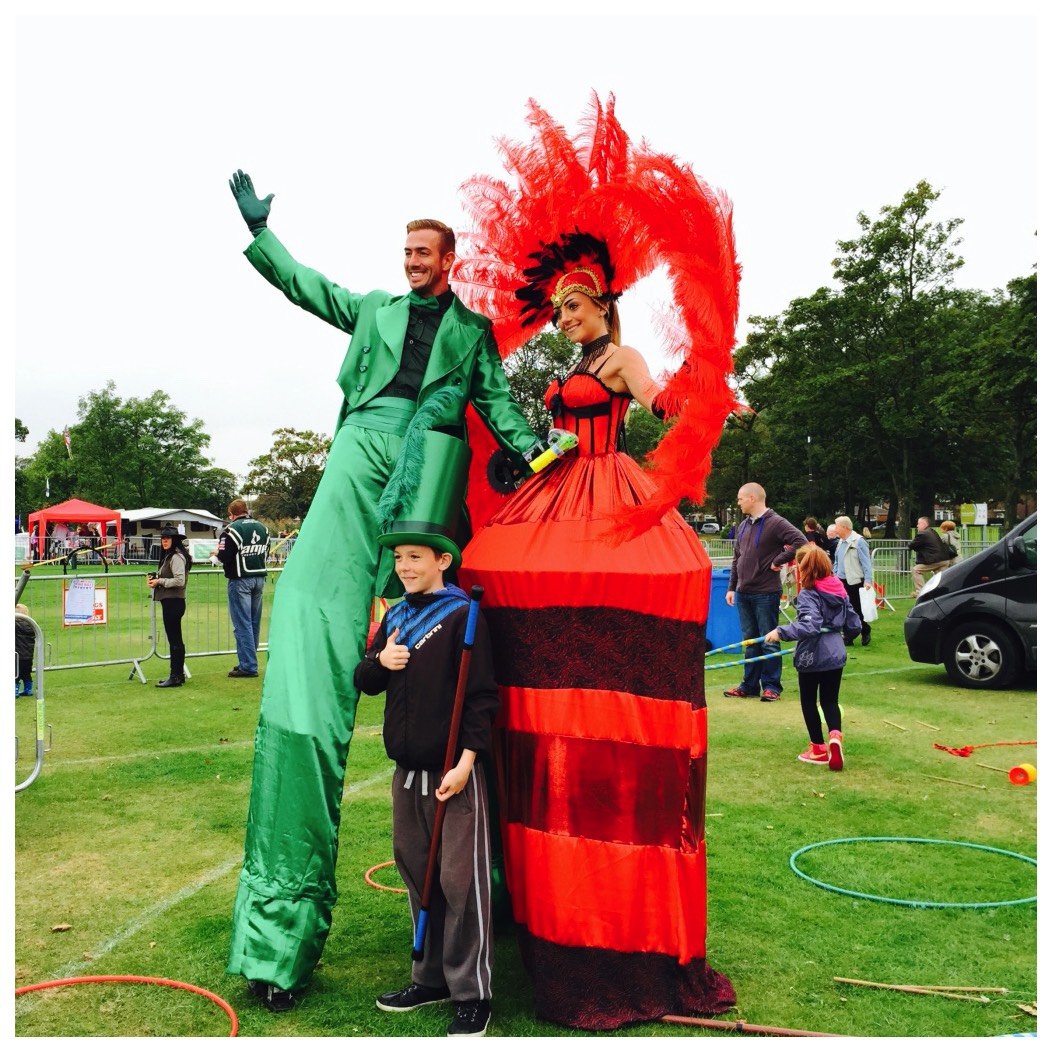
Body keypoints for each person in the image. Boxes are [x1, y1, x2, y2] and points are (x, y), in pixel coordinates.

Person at [225, 170, 542, 1009]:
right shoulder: (372, 309)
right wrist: (262, 237)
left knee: (447, 664)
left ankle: (476, 922)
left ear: (449, 261)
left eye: (423, 254)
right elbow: (307, 287)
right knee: (301, 631)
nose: (410, 264)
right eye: (403, 252)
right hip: (359, 457)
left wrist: (537, 454)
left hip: (427, 474)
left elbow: (501, 410)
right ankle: (277, 937)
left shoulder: (471, 334)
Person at [353, 437, 499, 1037]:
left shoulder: (463, 615)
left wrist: (466, 763)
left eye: (417, 557)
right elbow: (364, 680)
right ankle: (430, 977)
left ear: (443, 560)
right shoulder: (394, 617)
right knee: (418, 876)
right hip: (404, 771)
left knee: (460, 883)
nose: (406, 567)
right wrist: (379, 663)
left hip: (452, 774)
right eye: (401, 559)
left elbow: (482, 698)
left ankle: (473, 992)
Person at [765, 545, 861, 770]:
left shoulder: (809, 593)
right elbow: (854, 624)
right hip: (835, 654)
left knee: (809, 700)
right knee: (830, 700)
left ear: (806, 568)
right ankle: (835, 737)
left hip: (812, 655)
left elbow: (810, 624)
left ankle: (818, 748)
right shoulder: (839, 590)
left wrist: (780, 632)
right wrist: (841, 633)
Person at [723, 484, 808, 702]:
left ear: (752, 498)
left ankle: (771, 686)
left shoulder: (776, 522)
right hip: (744, 592)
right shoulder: (743, 525)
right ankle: (749, 685)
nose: (739, 502)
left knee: (769, 639)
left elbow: (801, 541)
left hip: (765, 592)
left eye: (741, 499)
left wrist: (778, 560)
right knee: (750, 641)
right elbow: (737, 559)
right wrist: (732, 587)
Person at [216, 499, 270, 679]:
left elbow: (224, 556)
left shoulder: (231, 530)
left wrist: (215, 558)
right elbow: (266, 551)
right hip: (259, 578)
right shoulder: (263, 528)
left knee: (242, 624)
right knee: (254, 622)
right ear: (246, 510)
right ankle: (249, 660)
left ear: (231, 514)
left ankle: (248, 665)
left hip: (240, 580)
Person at [147, 526, 191, 688]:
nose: (164, 541)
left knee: (175, 640)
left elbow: (179, 581)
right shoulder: (170, 556)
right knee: (175, 639)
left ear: (175, 540)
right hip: (171, 601)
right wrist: (156, 579)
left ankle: (176, 676)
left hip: (174, 601)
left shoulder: (176, 557)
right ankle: (177, 674)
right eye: (163, 538)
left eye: (168, 538)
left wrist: (160, 581)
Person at [832, 515, 874, 646]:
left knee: (857, 609)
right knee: (843, 609)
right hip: (841, 581)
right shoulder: (840, 541)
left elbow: (866, 563)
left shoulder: (859, 541)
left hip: (855, 580)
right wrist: (834, 575)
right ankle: (848, 636)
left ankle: (865, 630)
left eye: (836, 526)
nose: (835, 529)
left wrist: (868, 580)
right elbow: (837, 561)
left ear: (844, 527)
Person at [908, 516, 952, 596]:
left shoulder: (923, 533)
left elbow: (912, 545)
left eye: (918, 524)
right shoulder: (932, 531)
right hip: (945, 559)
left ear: (924, 524)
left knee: (916, 570)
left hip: (935, 560)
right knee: (940, 578)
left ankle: (921, 593)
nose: (917, 526)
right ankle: (942, 594)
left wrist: (911, 546)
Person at [15, 603, 35, 698]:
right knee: (26, 673)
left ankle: (14, 690)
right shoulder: (31, 624)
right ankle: (28, 689)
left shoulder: (15, 624)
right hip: (28, 655)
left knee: (15, 674)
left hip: (16, 655)